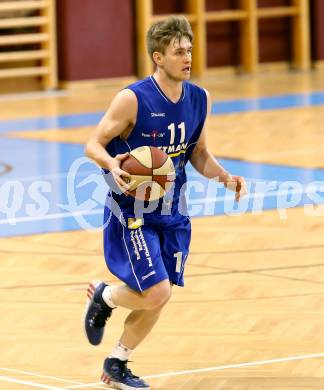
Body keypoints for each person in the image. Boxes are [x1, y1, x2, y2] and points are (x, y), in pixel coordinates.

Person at [84, 15, 247, 390]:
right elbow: (93, 143)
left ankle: (117, 363)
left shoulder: (200, 98)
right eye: (178, 52)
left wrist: (226, 178)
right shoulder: (132, 99)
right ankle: (104, 296)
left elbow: (199, 153)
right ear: (158, 57)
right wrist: (111, 162)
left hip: (173, 211)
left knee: (160, 296)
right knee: (157, 291)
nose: (187, 57)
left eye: (189, 50)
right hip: (132, 211)